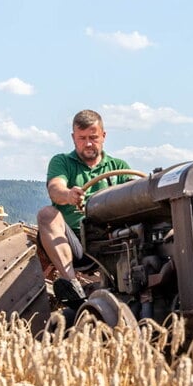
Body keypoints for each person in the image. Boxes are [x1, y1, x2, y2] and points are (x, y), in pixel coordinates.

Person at [37, 109, 132, 308]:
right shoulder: (62, 162)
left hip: (111, 239)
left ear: (103, 136)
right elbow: (55, 188)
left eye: (93, 137)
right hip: (76, 242)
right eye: (82, 138)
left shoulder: (118, 166)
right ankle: (72, 286)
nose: (88, 143)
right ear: (73, 138)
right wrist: (68, 195)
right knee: (47, 214)